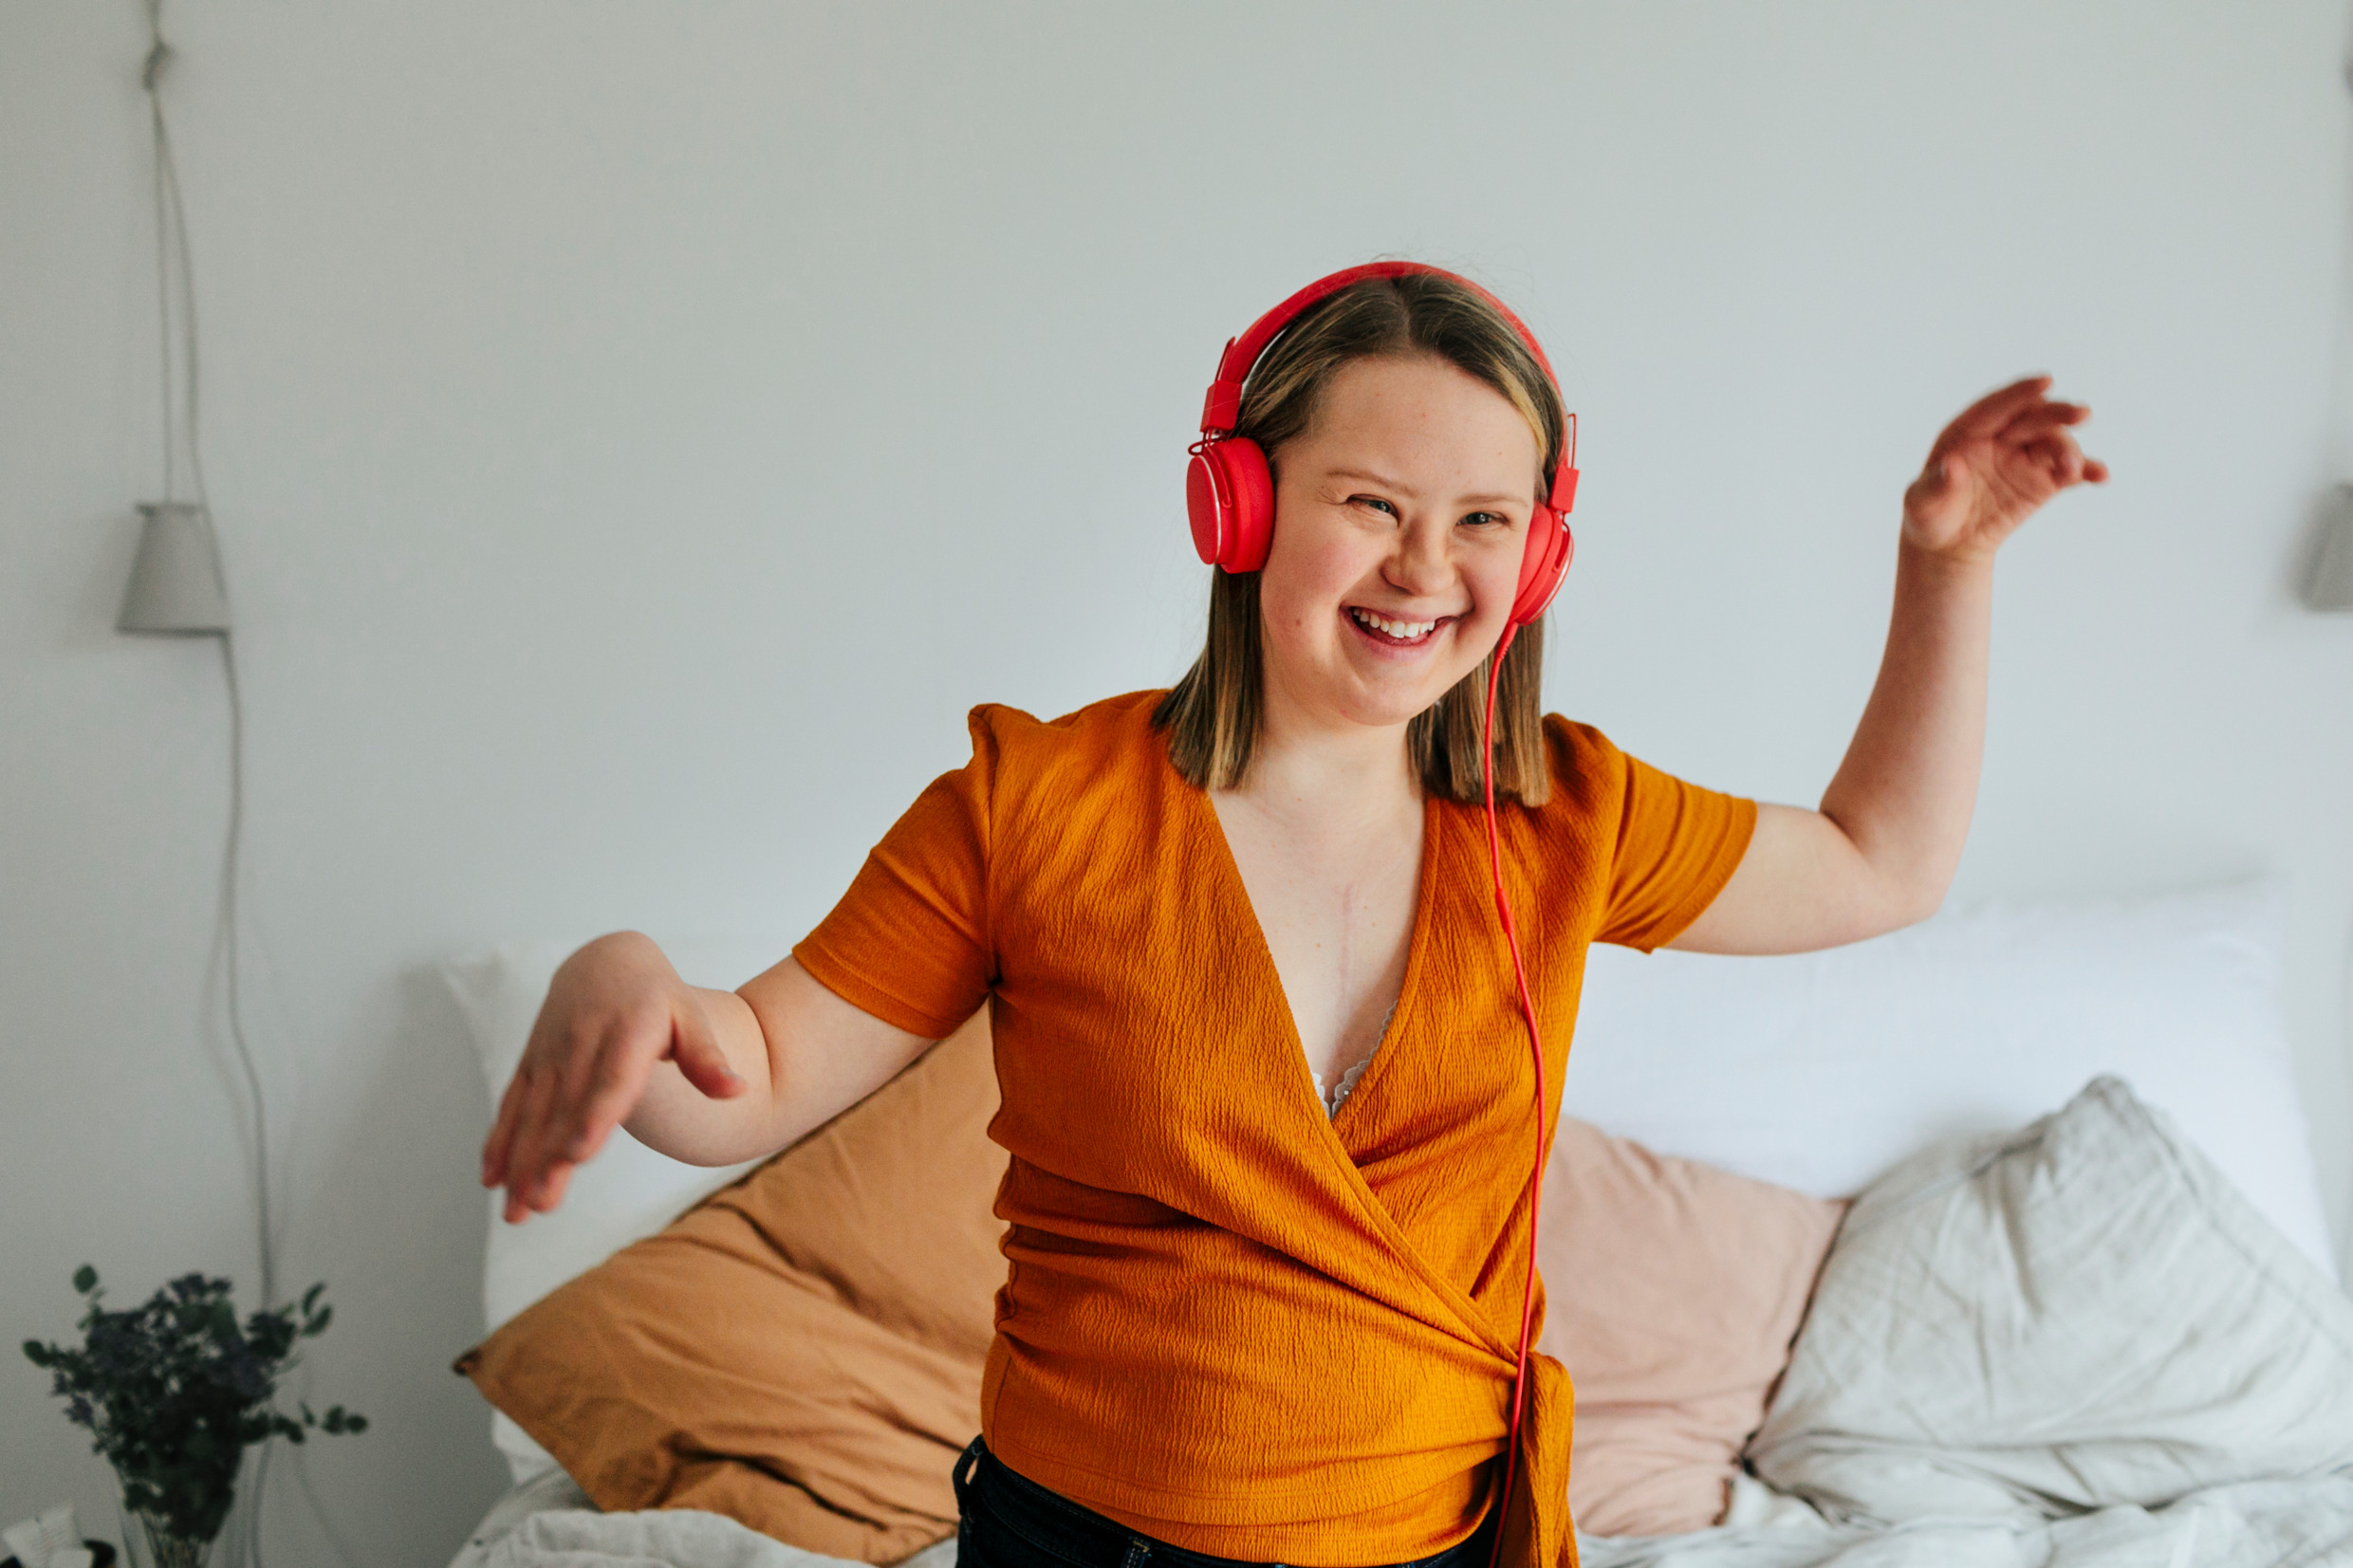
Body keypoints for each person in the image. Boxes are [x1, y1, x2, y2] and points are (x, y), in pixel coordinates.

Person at [476, 263, 2107, 1568]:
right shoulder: (1036, 802)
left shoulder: (1566, 812)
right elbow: (748, 1069)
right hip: (1086, 1545)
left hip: (1441, 1546)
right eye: (1370, 502)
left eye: (1484, 519)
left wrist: (1944, 568)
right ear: (1235, 511)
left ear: (1536, 556)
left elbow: (1882, 862)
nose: (1425, 566)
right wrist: (626, 975)